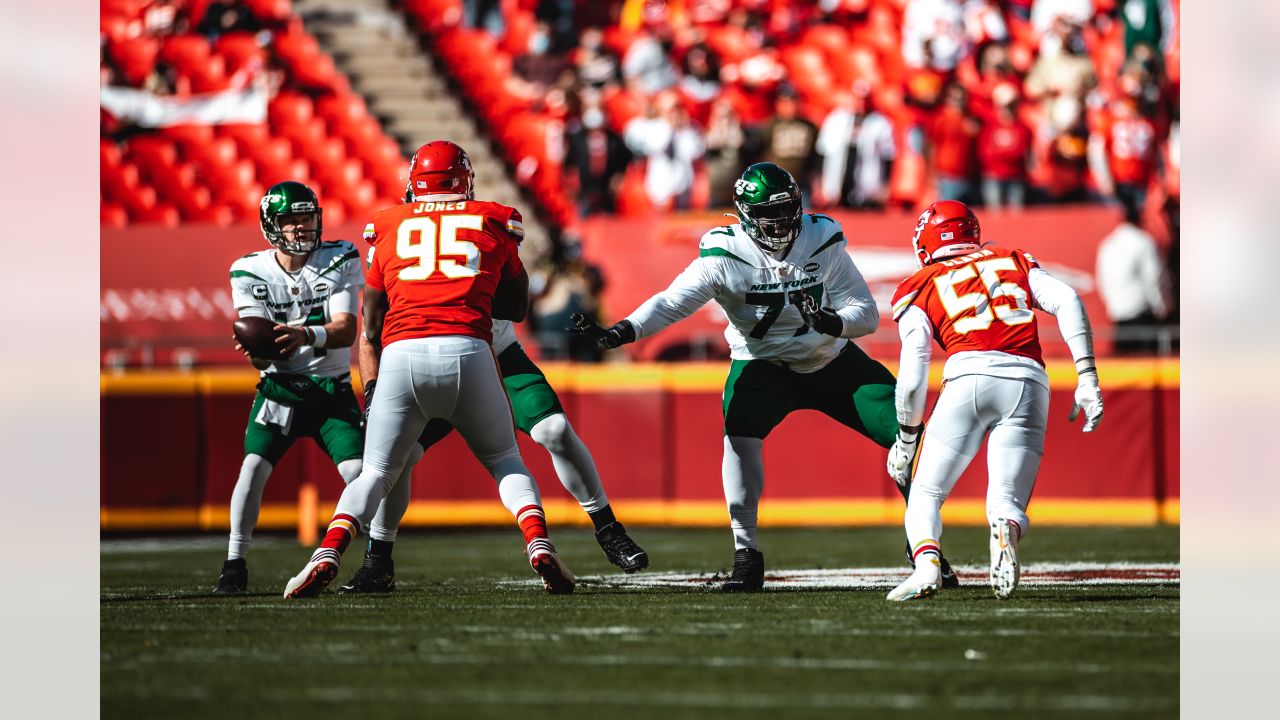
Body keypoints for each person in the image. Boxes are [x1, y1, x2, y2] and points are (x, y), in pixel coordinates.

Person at [570, 162, 957, 592]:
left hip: (832, 361)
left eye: (787, 212)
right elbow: (673, 302)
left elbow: (864, 314)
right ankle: (746, 553)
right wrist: (622, 331)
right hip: (761, 365)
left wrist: (830, 323)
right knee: (738, 442)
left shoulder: (819, 237)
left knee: (912, 438)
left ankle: (925, 547)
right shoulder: (724, 254)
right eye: (769, 217)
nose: (781, 225)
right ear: (744, 215)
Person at [283, 141, 575, 598]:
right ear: (465, 181)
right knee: (505, 460)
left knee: (377, 473)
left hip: (401, 355)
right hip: (468, 350)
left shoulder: (387, 224)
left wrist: (376, 383)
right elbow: (517, 309)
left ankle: (328, 553)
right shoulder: (494, 218)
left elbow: (372, 321)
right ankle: (537, 541)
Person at [337, 221, 647, 595]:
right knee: (396, 459)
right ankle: (378, 559)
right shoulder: (393, 242)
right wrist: (372, 392)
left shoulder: (481, 229)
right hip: (421, 363)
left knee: (554, 430)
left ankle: (608, 528)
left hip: (493, 354)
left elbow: (519, 305)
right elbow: (369, 336)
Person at [884, 200, 1104, 601]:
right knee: (1007, 498)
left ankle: (928, 565)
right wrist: (1086, 376)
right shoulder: (1011, 259)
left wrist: (906, 437)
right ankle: (1005, 527)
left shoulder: (921, 283)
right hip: (1028, 380)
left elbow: (914, 374)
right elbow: (1068, 298)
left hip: (968, 375)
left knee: (926, 493)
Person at [215, 181, 367, 593]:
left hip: (330, 390)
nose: (301, 229)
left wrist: (303, 335)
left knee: (359, 473)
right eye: (291, 221)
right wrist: (255, 349)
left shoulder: (340, 257)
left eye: (306, 219)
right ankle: (234, 562)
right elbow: (262, 359)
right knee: (252, 469)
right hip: (279, 389)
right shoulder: (248, 271)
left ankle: (369, 559)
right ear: (270, 225)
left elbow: (345, 330)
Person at [1095, 202, 1170, 354]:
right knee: (1150, 373)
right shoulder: (1143, 242)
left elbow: (1102, 282)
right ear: (1140, 219)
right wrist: (1163, 309)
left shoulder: (1108, 244)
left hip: (1119, 319)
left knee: (1126, 373)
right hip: (1143, 320)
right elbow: (1155, 279)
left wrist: (1113, 305)